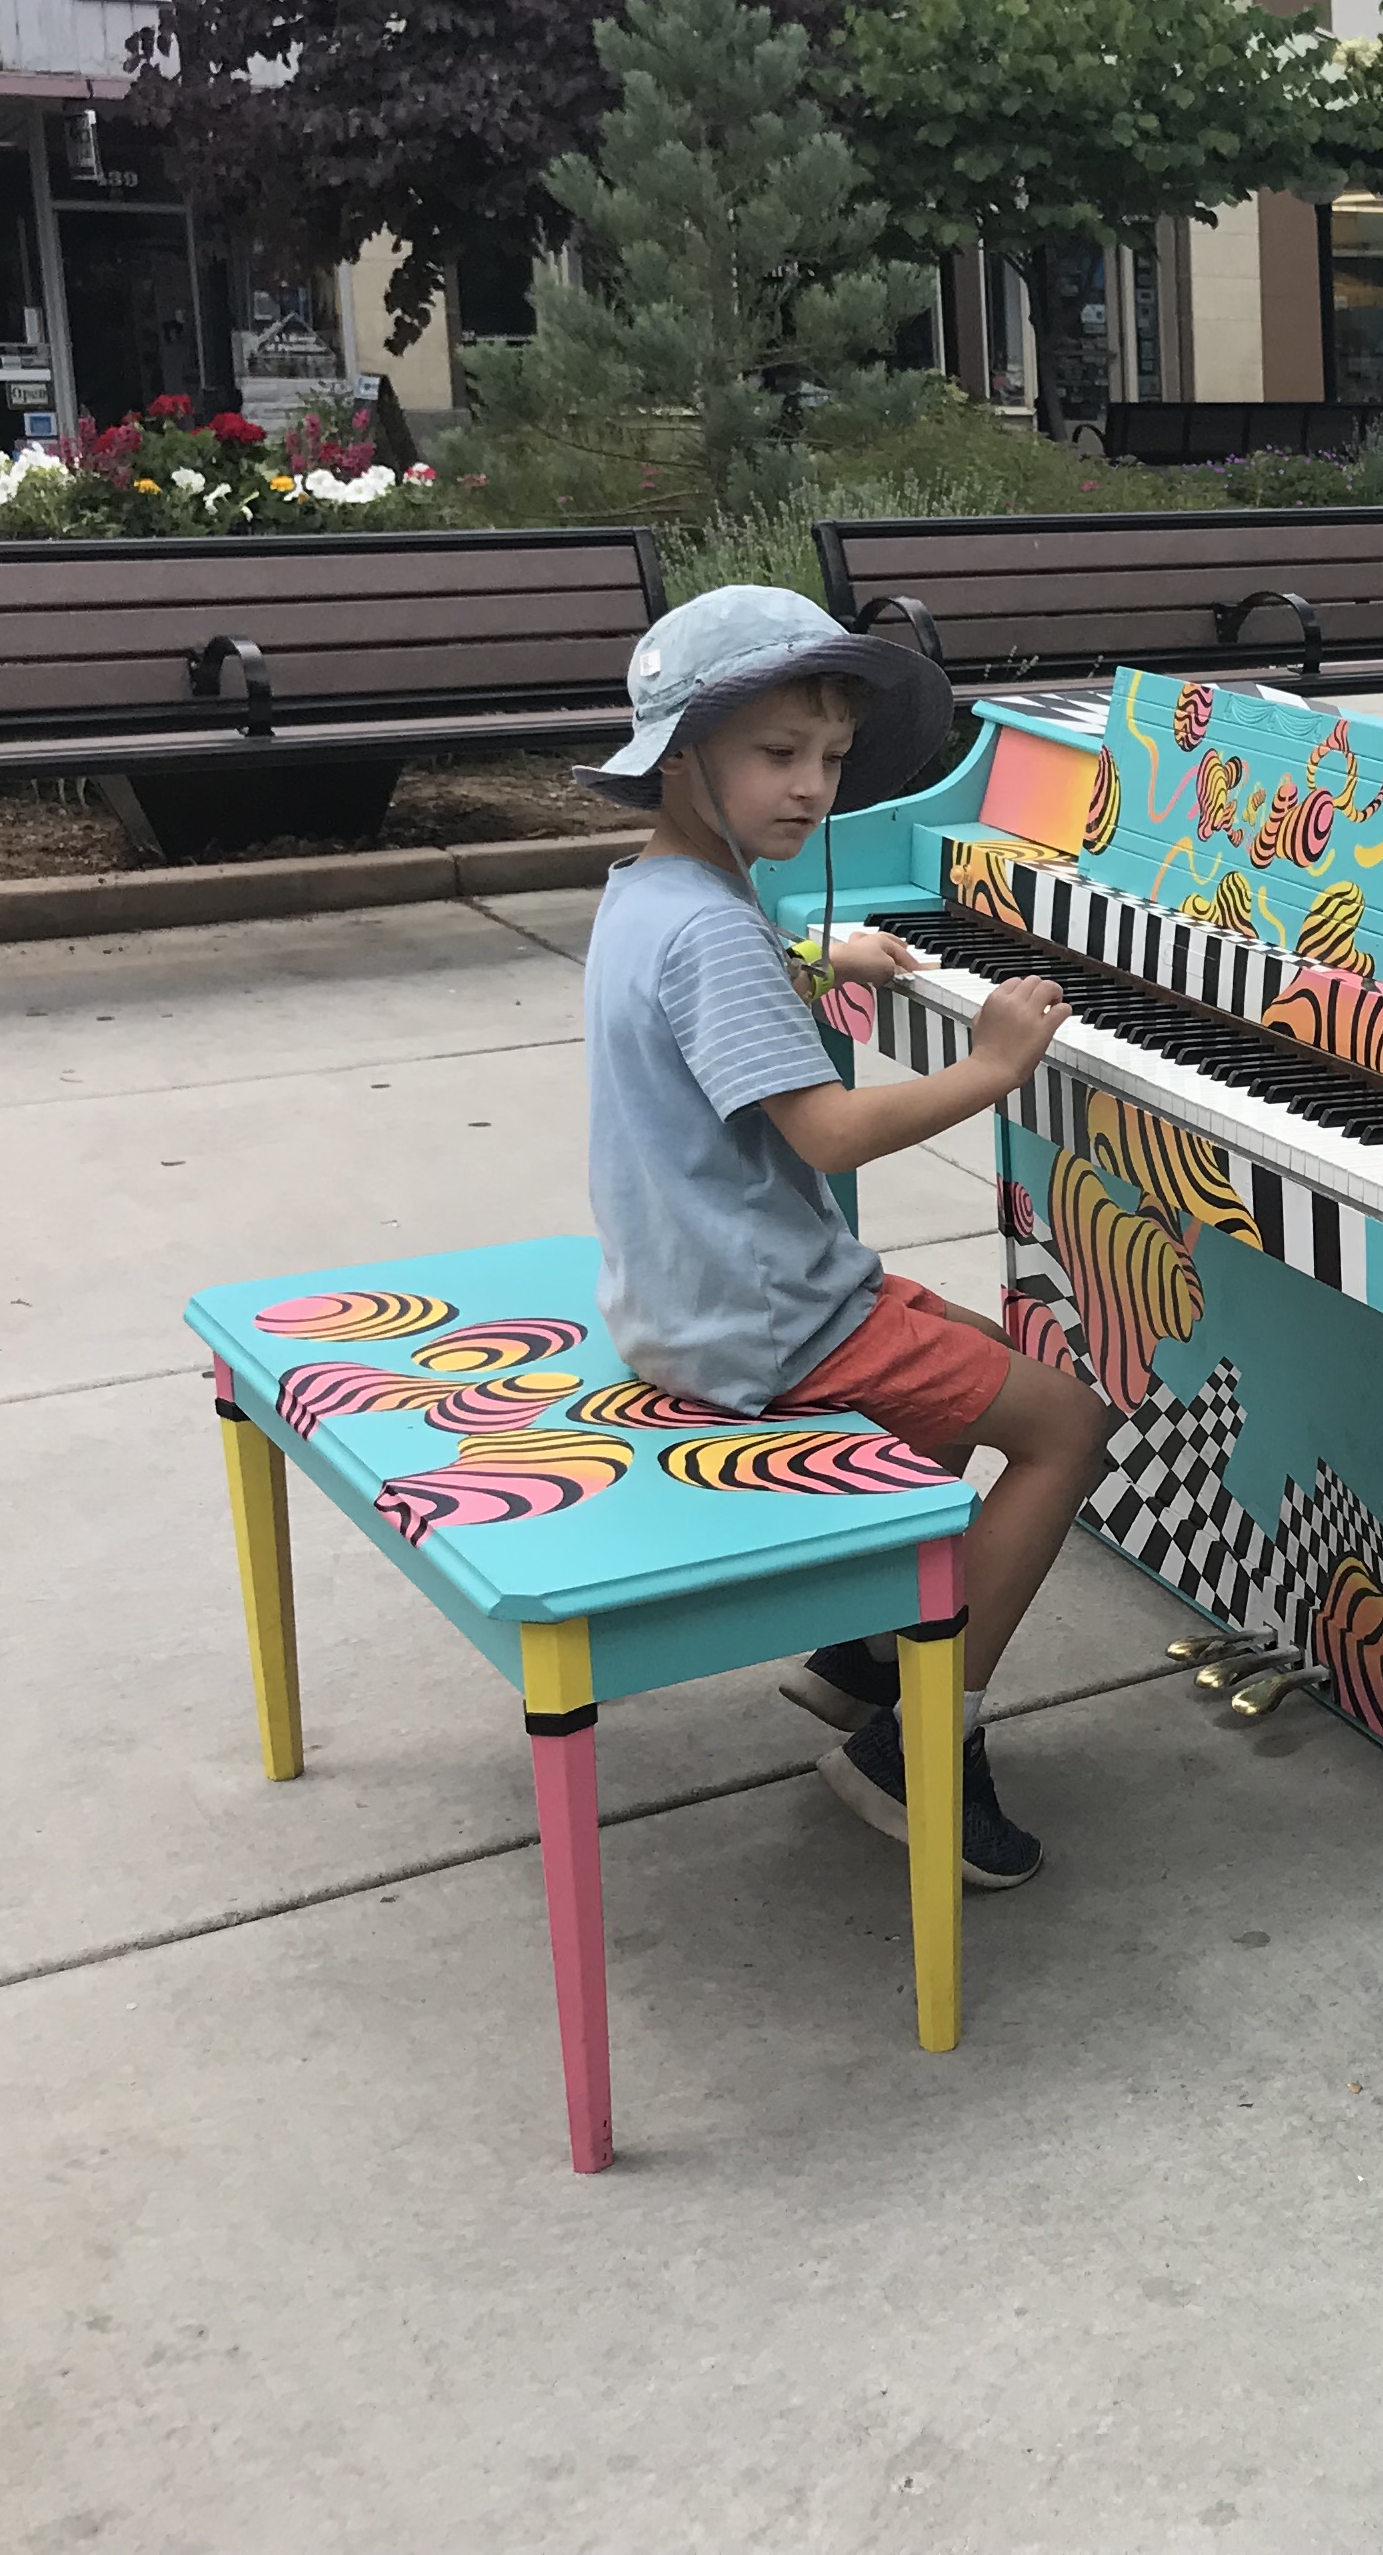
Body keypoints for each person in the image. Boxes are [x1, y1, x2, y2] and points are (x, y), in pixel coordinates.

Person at [574, 585, 1113, 1888]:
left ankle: (867, 1658)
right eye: (777, 754)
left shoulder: (655, 892)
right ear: (681, 756)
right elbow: (824, 1135)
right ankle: (919, 1746)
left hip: (688, 1301)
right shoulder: (714, 929)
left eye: (829, 755)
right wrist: (992, 1068)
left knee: (977, 1362)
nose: (812, 787)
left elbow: (712, 991)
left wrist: (820, 962)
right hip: (768, 1321)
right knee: (1067, 1426)